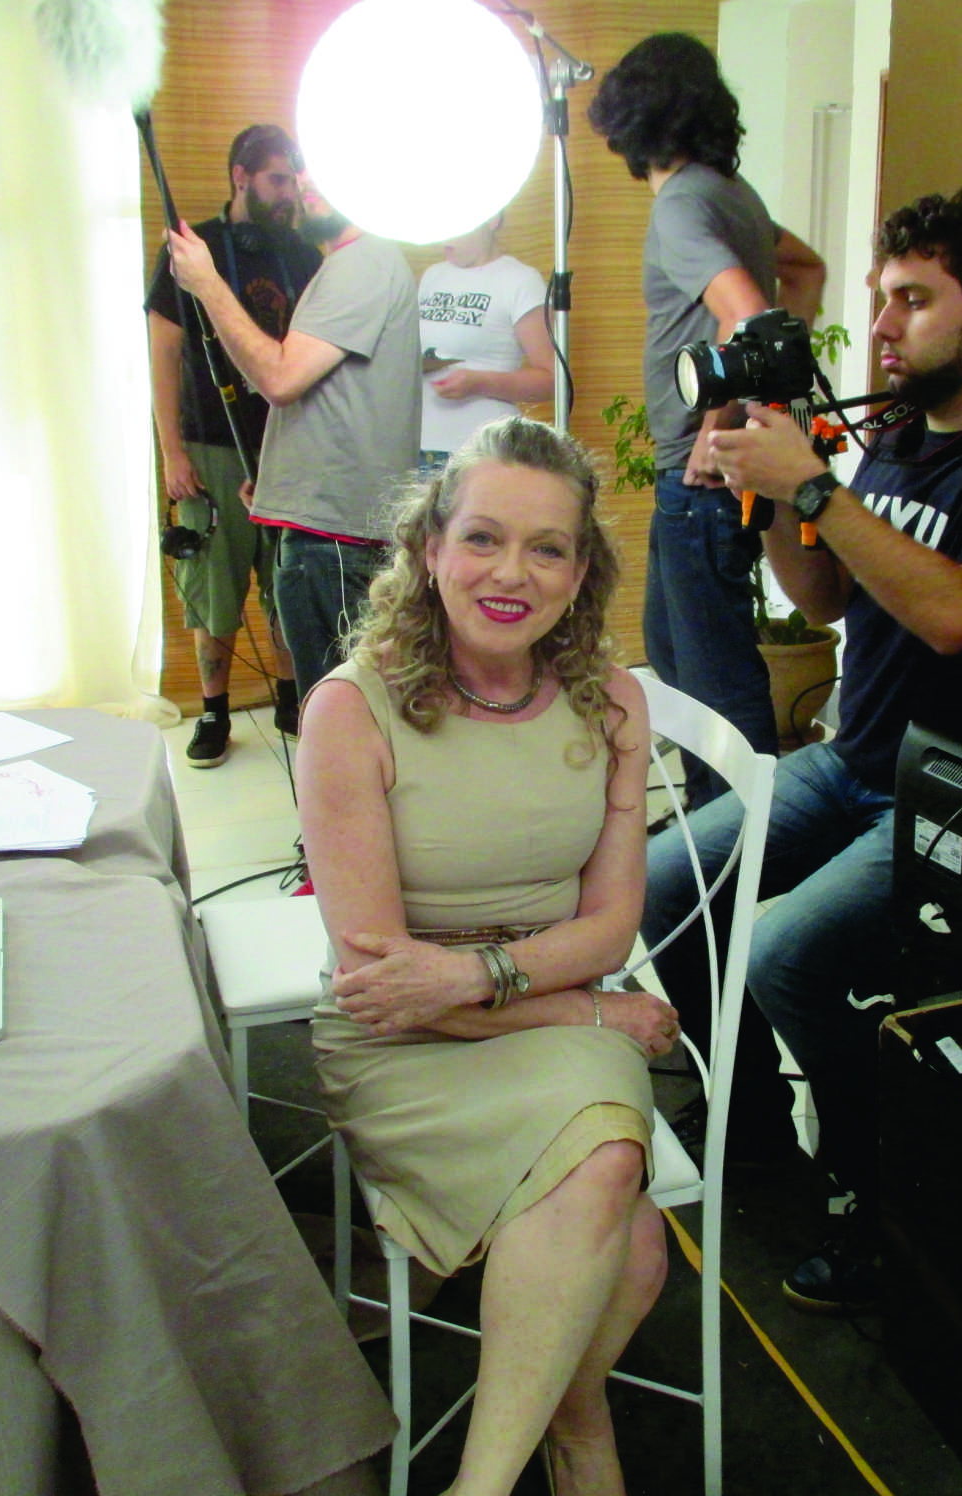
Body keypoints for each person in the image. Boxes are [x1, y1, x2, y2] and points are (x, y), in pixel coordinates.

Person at [643, 187, 962, 1314]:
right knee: (666, 882)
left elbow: (955, 614)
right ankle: (755, 1124)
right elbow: (825, 600)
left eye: (912, 299)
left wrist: (813, 482)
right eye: (881, 298)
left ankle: (884, 1198)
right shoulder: (901, 440)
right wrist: (770, 496)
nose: (884, 325)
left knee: (788, 955)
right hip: (858, 757)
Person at [299, 417, 676, 1496]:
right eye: (481, 538)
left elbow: (609, 930)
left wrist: (480, 974)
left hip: (540, 1008)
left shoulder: (613, 700)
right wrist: (589, 1011)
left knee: (616, 1197)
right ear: (430, 550)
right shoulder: (350, 711)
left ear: (581, 572)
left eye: (547, 548)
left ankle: (497, 1470)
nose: (512, 573)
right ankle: (577, 1428)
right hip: (405, 1048)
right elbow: (388, 992)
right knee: (628, 1224)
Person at [586, 32, 826, 807]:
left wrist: (719, 423)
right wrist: (773, 379)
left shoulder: (683, 201)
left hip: (701, 472)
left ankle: (739, 839)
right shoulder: (732, 191)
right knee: (674, 651)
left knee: (714, 676)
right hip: (696, 472)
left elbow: (748, 312)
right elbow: (805, 270)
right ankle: (714, 821)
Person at [169, 174, 420, 698]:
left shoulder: (363, 263)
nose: (306, 181)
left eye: (323, 170)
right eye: (301, 168)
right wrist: (281, 477)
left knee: (341, 719)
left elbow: (282, 378)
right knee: (342, 712)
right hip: (331, 534)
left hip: (334, 543)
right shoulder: (350, 264)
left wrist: (208, 283)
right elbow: (332, 399)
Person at [145, 124, 319, 767]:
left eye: (294, 181)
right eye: (277, 180)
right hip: (210, 447)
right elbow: (164, 352)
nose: (288, 194)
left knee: (286, 583)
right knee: (213, 590)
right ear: (241, 177)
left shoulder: (302, 255)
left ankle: (290, 697)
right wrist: (172, 450)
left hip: (288, 446)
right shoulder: (195, 252)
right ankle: (214, 710)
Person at [417, 213, 554, 468]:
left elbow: (551, 380)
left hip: (480, 452)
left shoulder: (521, 280)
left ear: (492, 219)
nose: (445, 237)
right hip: (420, 446)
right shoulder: (433, 276)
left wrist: (479, 382)